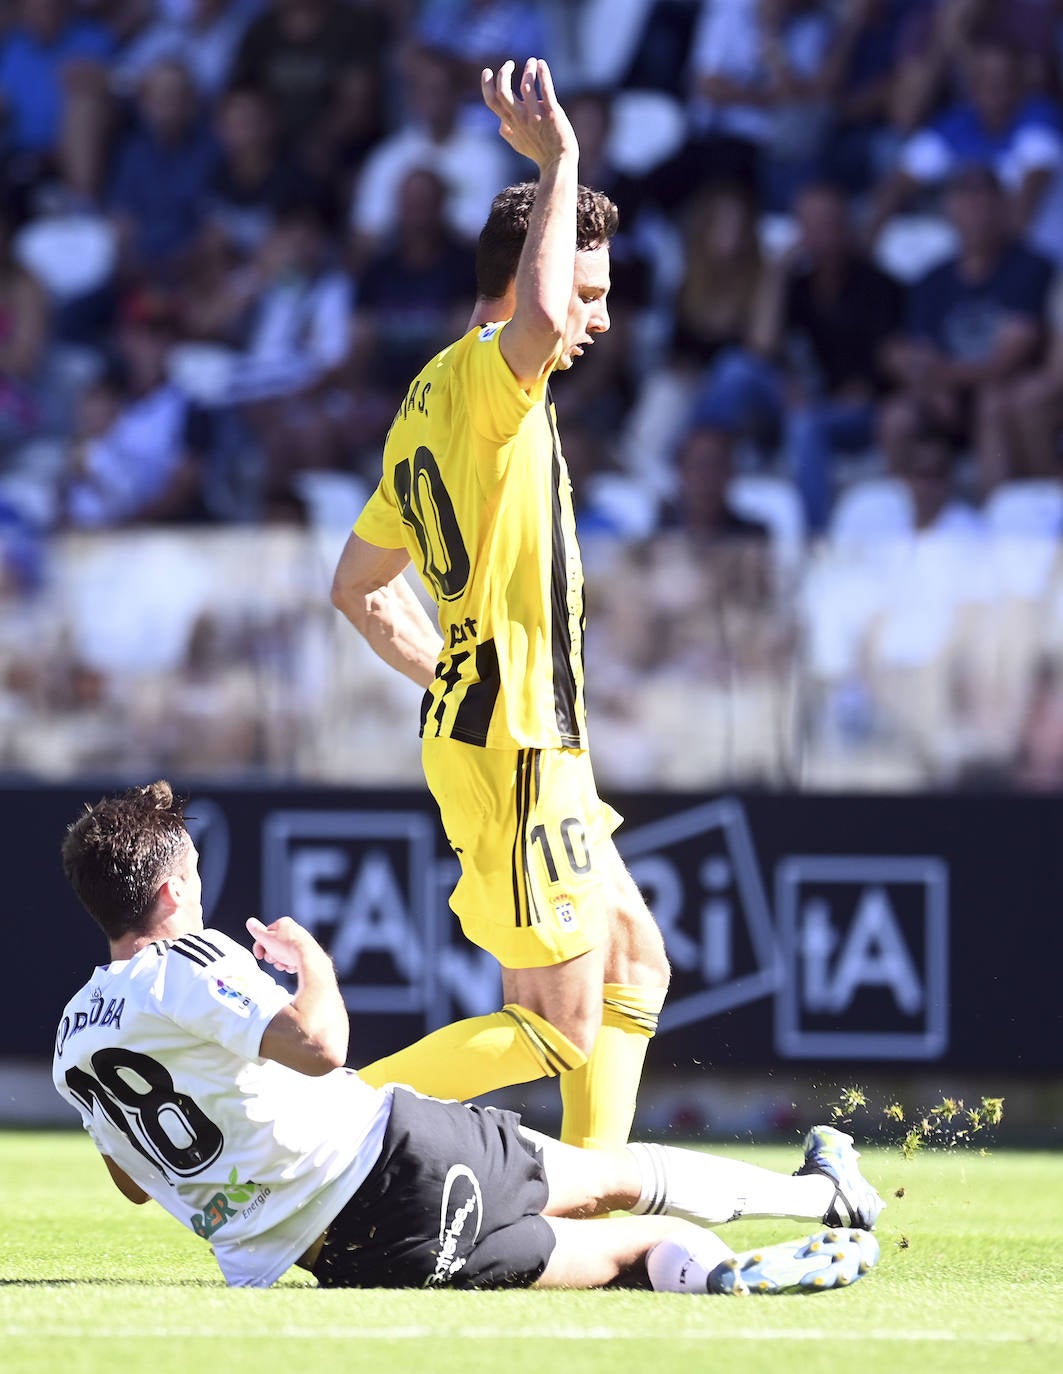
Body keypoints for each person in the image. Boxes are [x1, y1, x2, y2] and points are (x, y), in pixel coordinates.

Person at [53, 780, 884, 1292]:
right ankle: (824, 1197)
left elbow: (133, 1182)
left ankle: (717, 1280)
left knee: (634, 1251)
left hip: (335, 1254)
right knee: (614, 1176)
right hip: (394, 1157)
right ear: (168, 891)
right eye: (194, 874)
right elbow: (321, 1047)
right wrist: (314, 964)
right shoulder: (186, 961)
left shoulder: (71, 1036)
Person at [330, 58, 670, 1152]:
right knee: (556, 1027)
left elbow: (358, 588)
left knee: (635, 962)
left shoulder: (428, 397)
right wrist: (562, 157)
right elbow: (534, 308)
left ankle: (595, 1197)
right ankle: (294, 1125)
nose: (598, 320)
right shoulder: (491, 375)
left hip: (510, 729)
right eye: (592, 292)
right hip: (518, 739)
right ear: (533, 278)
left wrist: (449, 669)